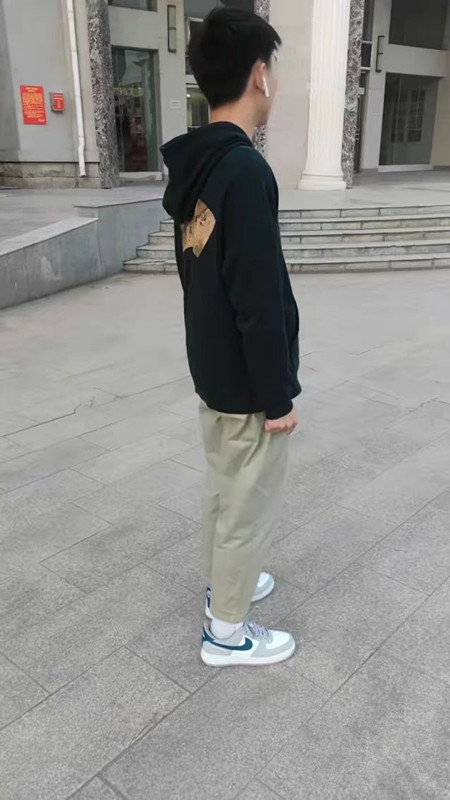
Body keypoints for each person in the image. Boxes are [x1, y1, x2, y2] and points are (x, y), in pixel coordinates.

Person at [161, 6, 300, 667]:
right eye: (275, 71)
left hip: (213, 369)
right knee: (247, 501)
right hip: (245, 379)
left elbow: (195, 272)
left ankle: (226, 586)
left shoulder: (202, 163)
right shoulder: (243, 168)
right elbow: (258, 293)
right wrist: (278, 393)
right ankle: (227, 633)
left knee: (224, 489)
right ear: (259, 75)